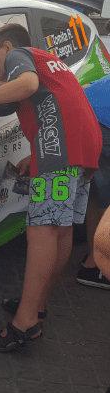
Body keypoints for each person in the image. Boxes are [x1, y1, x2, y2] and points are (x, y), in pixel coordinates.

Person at [0, 24, 102, 353]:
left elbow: (27, 85)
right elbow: (55, 105)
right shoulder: (47, 60)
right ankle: (37, 305)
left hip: (61, 151)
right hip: (81, 147)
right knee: (59, 231)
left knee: (42, 231)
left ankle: (24, 323)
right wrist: (35, 156)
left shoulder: (20, 55)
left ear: (6, 46)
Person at [76, 74, 110, 289]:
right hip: (102, 123)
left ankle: (94, 261)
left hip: (84, 111)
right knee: (104, 198)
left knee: (97, 195)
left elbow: (87, 87)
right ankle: (98, 264)